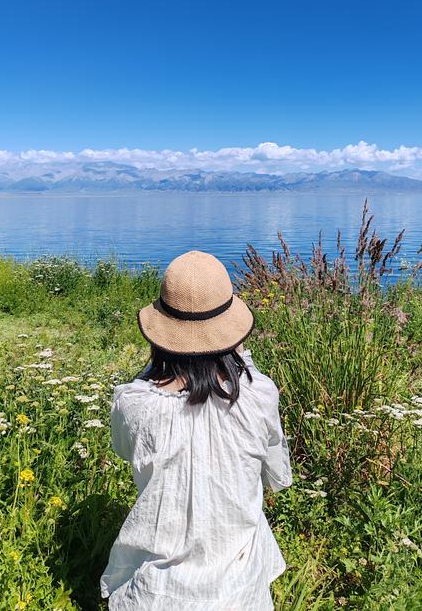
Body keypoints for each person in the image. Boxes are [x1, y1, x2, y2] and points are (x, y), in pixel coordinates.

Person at [100, 249, 293, 610]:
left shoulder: (135, 403)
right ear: (231, 329)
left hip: (156, 595)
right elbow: (277, 475)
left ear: (160, 332)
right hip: (241, 593)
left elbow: (126, 450)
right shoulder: (257, 396)